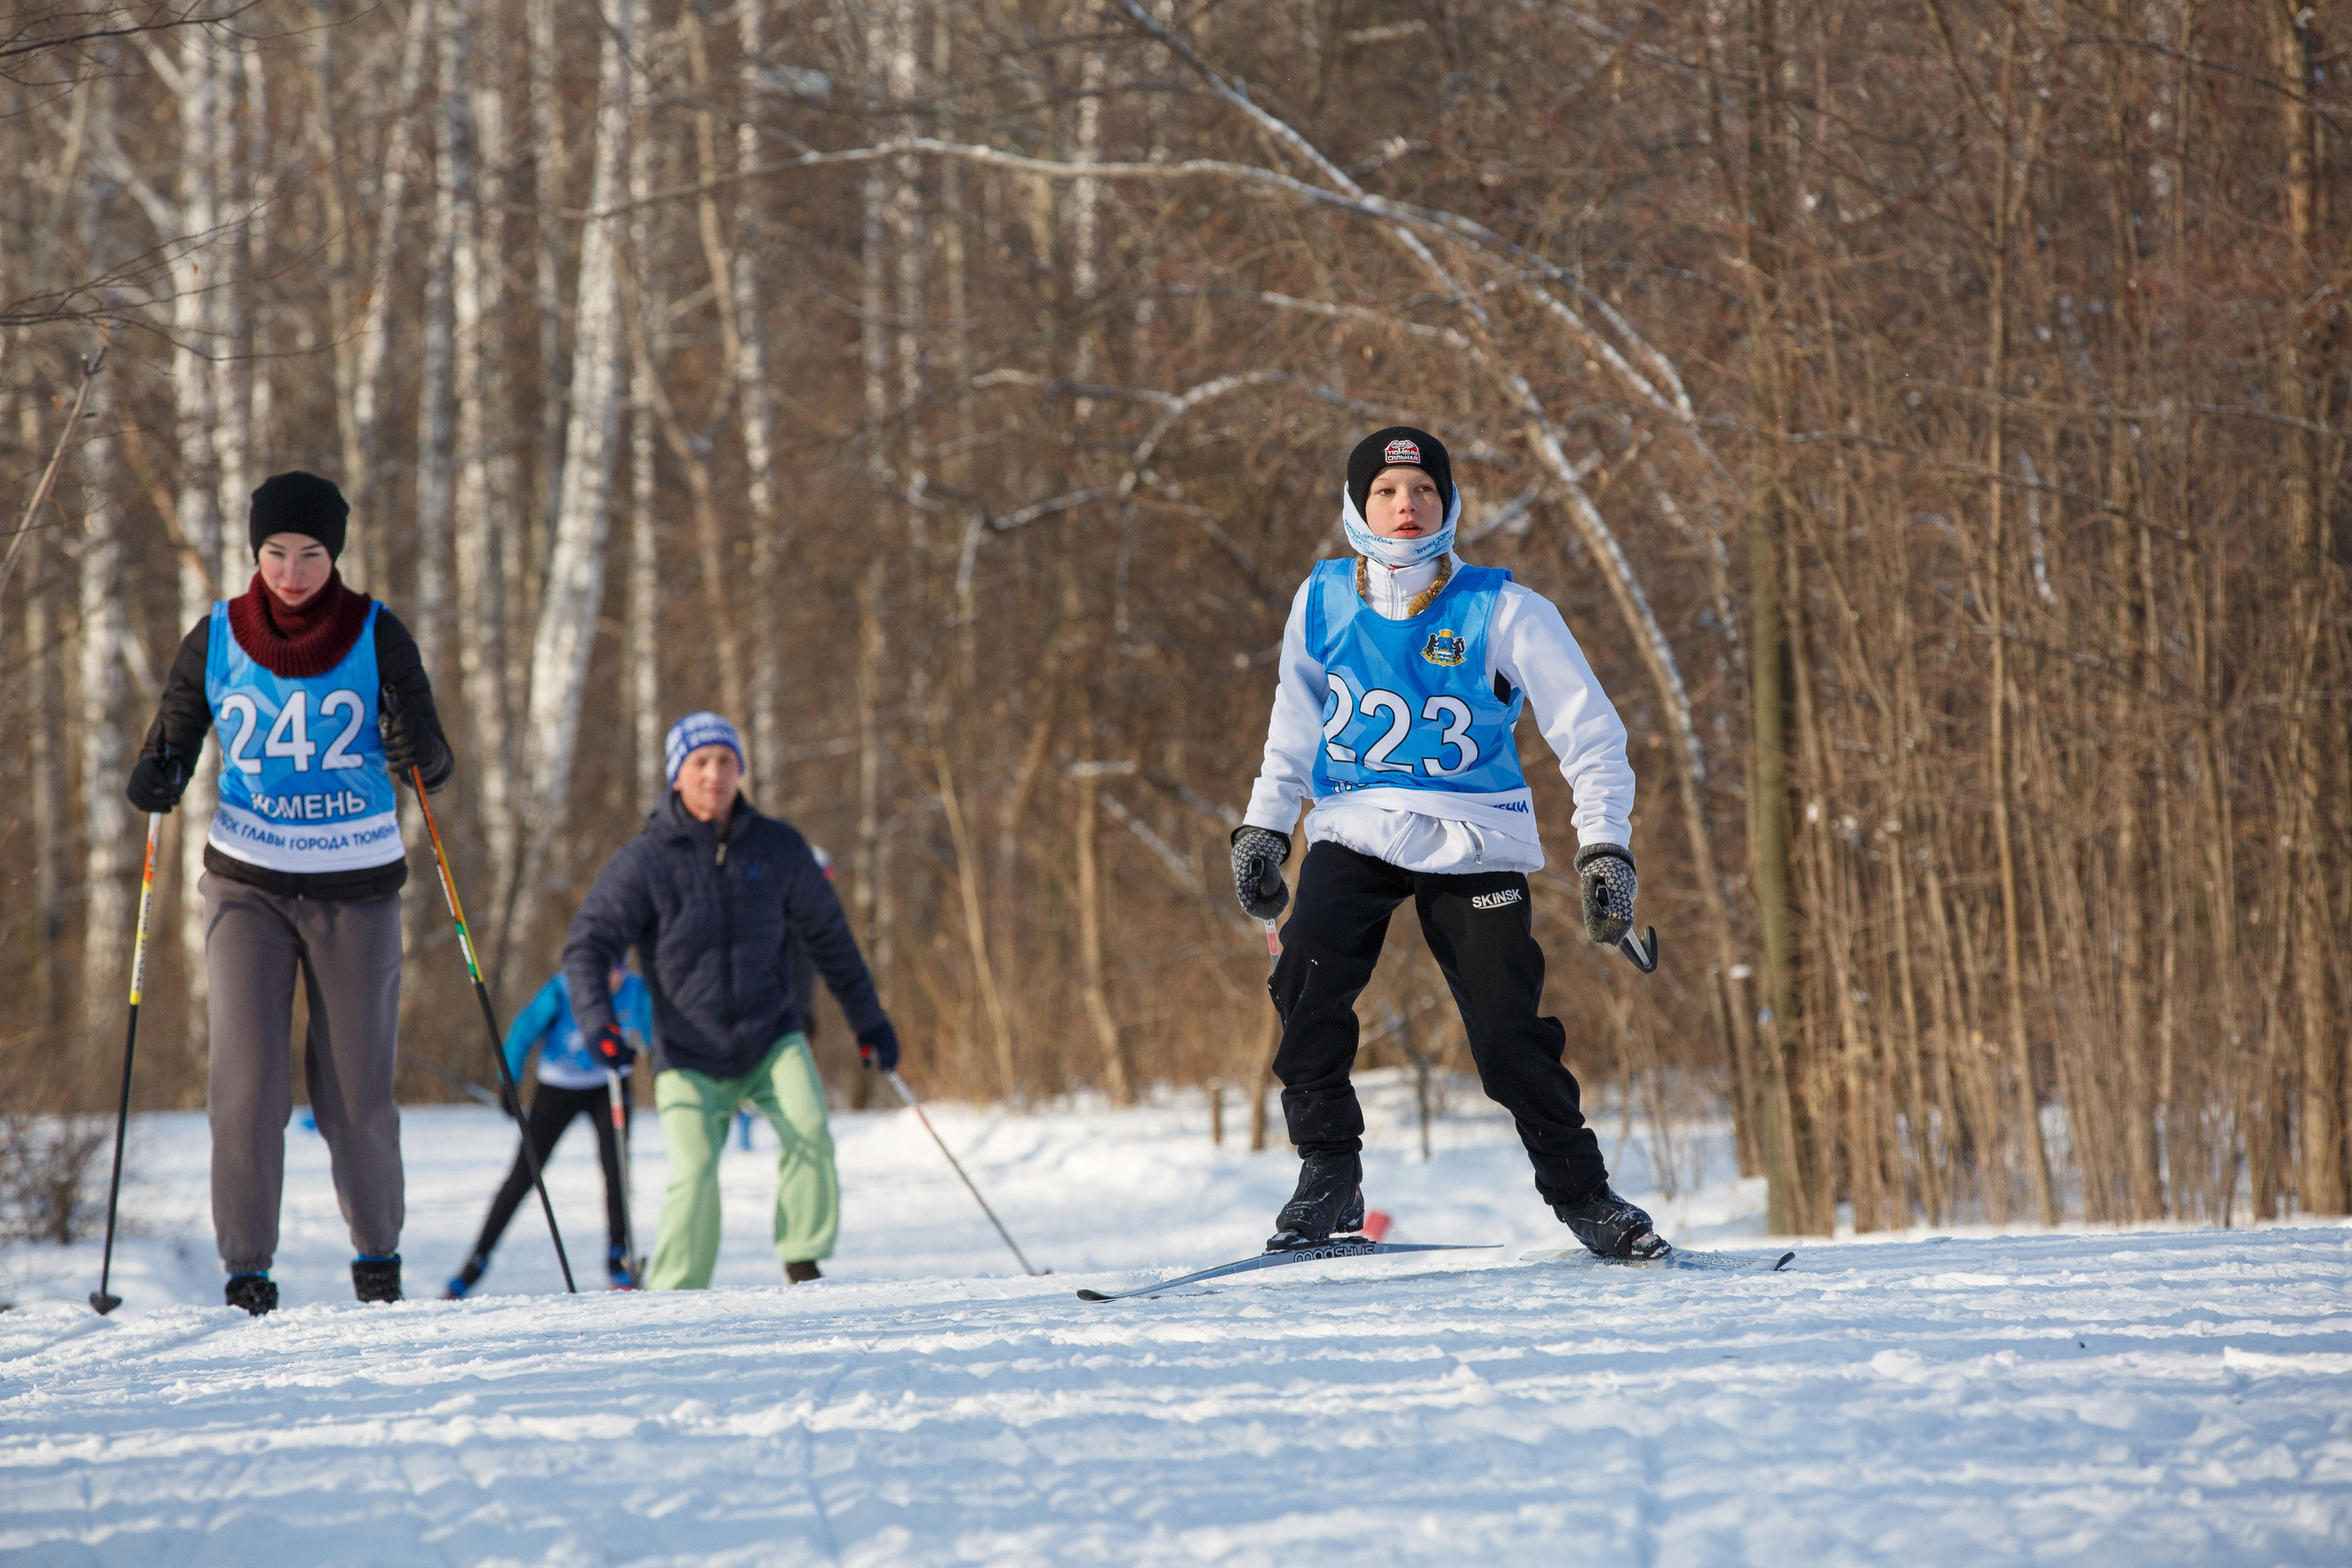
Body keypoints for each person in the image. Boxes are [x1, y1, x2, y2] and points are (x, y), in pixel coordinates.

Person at [1231, 427, 1665, 1259]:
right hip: (1355, 821)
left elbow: (1592, 736)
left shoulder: (1505, 608)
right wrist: (1263, 825)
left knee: (1506, 1030)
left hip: (1475, 834)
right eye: (1388, 492)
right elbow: (1292, 725)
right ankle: (1329, 1173)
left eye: (1423, 489)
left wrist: (1605, 846)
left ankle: (1584, 1194)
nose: (1406, 505)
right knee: (1307, 972)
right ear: (1360, 504)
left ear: (1448, 502)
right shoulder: (1321, 600)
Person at [126, 471, 455, 1314]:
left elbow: (435, 761)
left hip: (358, 886)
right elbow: (172, 739)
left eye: (310, 553)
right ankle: (247, 1269)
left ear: (333, 553)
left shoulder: (378, 634)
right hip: (248, 884)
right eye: (275, 552)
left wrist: (409, 739)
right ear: (255, 552)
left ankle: (377, 1255)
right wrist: (157, 774)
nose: (292, 570)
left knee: (356, 1093)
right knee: (247, 1084)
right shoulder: (217, 639)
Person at [560, 713, 899, 1289]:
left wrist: (870, 1021)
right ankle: (675, 1293)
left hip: (771, 1034)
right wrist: (600, 1026)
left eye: (725, 761)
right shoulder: (645, 861)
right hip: (688, 1051)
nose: (714, 774)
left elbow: (831, 940)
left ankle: (802, 1257)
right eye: (700, 763)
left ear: (740, 770)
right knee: (694, 1174)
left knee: (810, 1133)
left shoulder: (778, 848)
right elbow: (587, 946)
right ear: (677, 777)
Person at [444, 961, 655, 1298]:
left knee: (616, 1170)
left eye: (621, 968)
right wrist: (508, 1081)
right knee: (524, 1173)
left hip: (608, 1085)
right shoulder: (563, 987)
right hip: (559, 1086)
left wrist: (642, 1050)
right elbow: (523, 1031)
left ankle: (619, 1258)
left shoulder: (635, 989)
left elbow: (651, 1032)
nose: (616, 977)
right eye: (608, 968)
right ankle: (476, 1261)